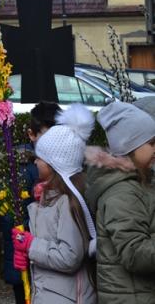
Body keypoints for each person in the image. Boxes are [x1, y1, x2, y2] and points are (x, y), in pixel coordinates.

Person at [12, 103, 97, 304]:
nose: (35, 162)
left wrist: (31, 245)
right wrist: (28, 252)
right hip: (53, 293)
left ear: (54, 164)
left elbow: (70, 256)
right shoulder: (48, 197)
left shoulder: (66, 201)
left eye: (40, 158)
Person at [86, 99, 155, 304]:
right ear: (129, 146)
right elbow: (134, 253)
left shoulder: (140, 182)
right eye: (151, 143)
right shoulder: (121, 193)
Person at [2, 101, 62, 304]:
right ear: (32, 135)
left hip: (51, 257)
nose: (52, 142)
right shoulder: (22, 169)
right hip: (27, 257)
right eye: (47, 135)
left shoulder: (64, 164)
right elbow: (12, 217)